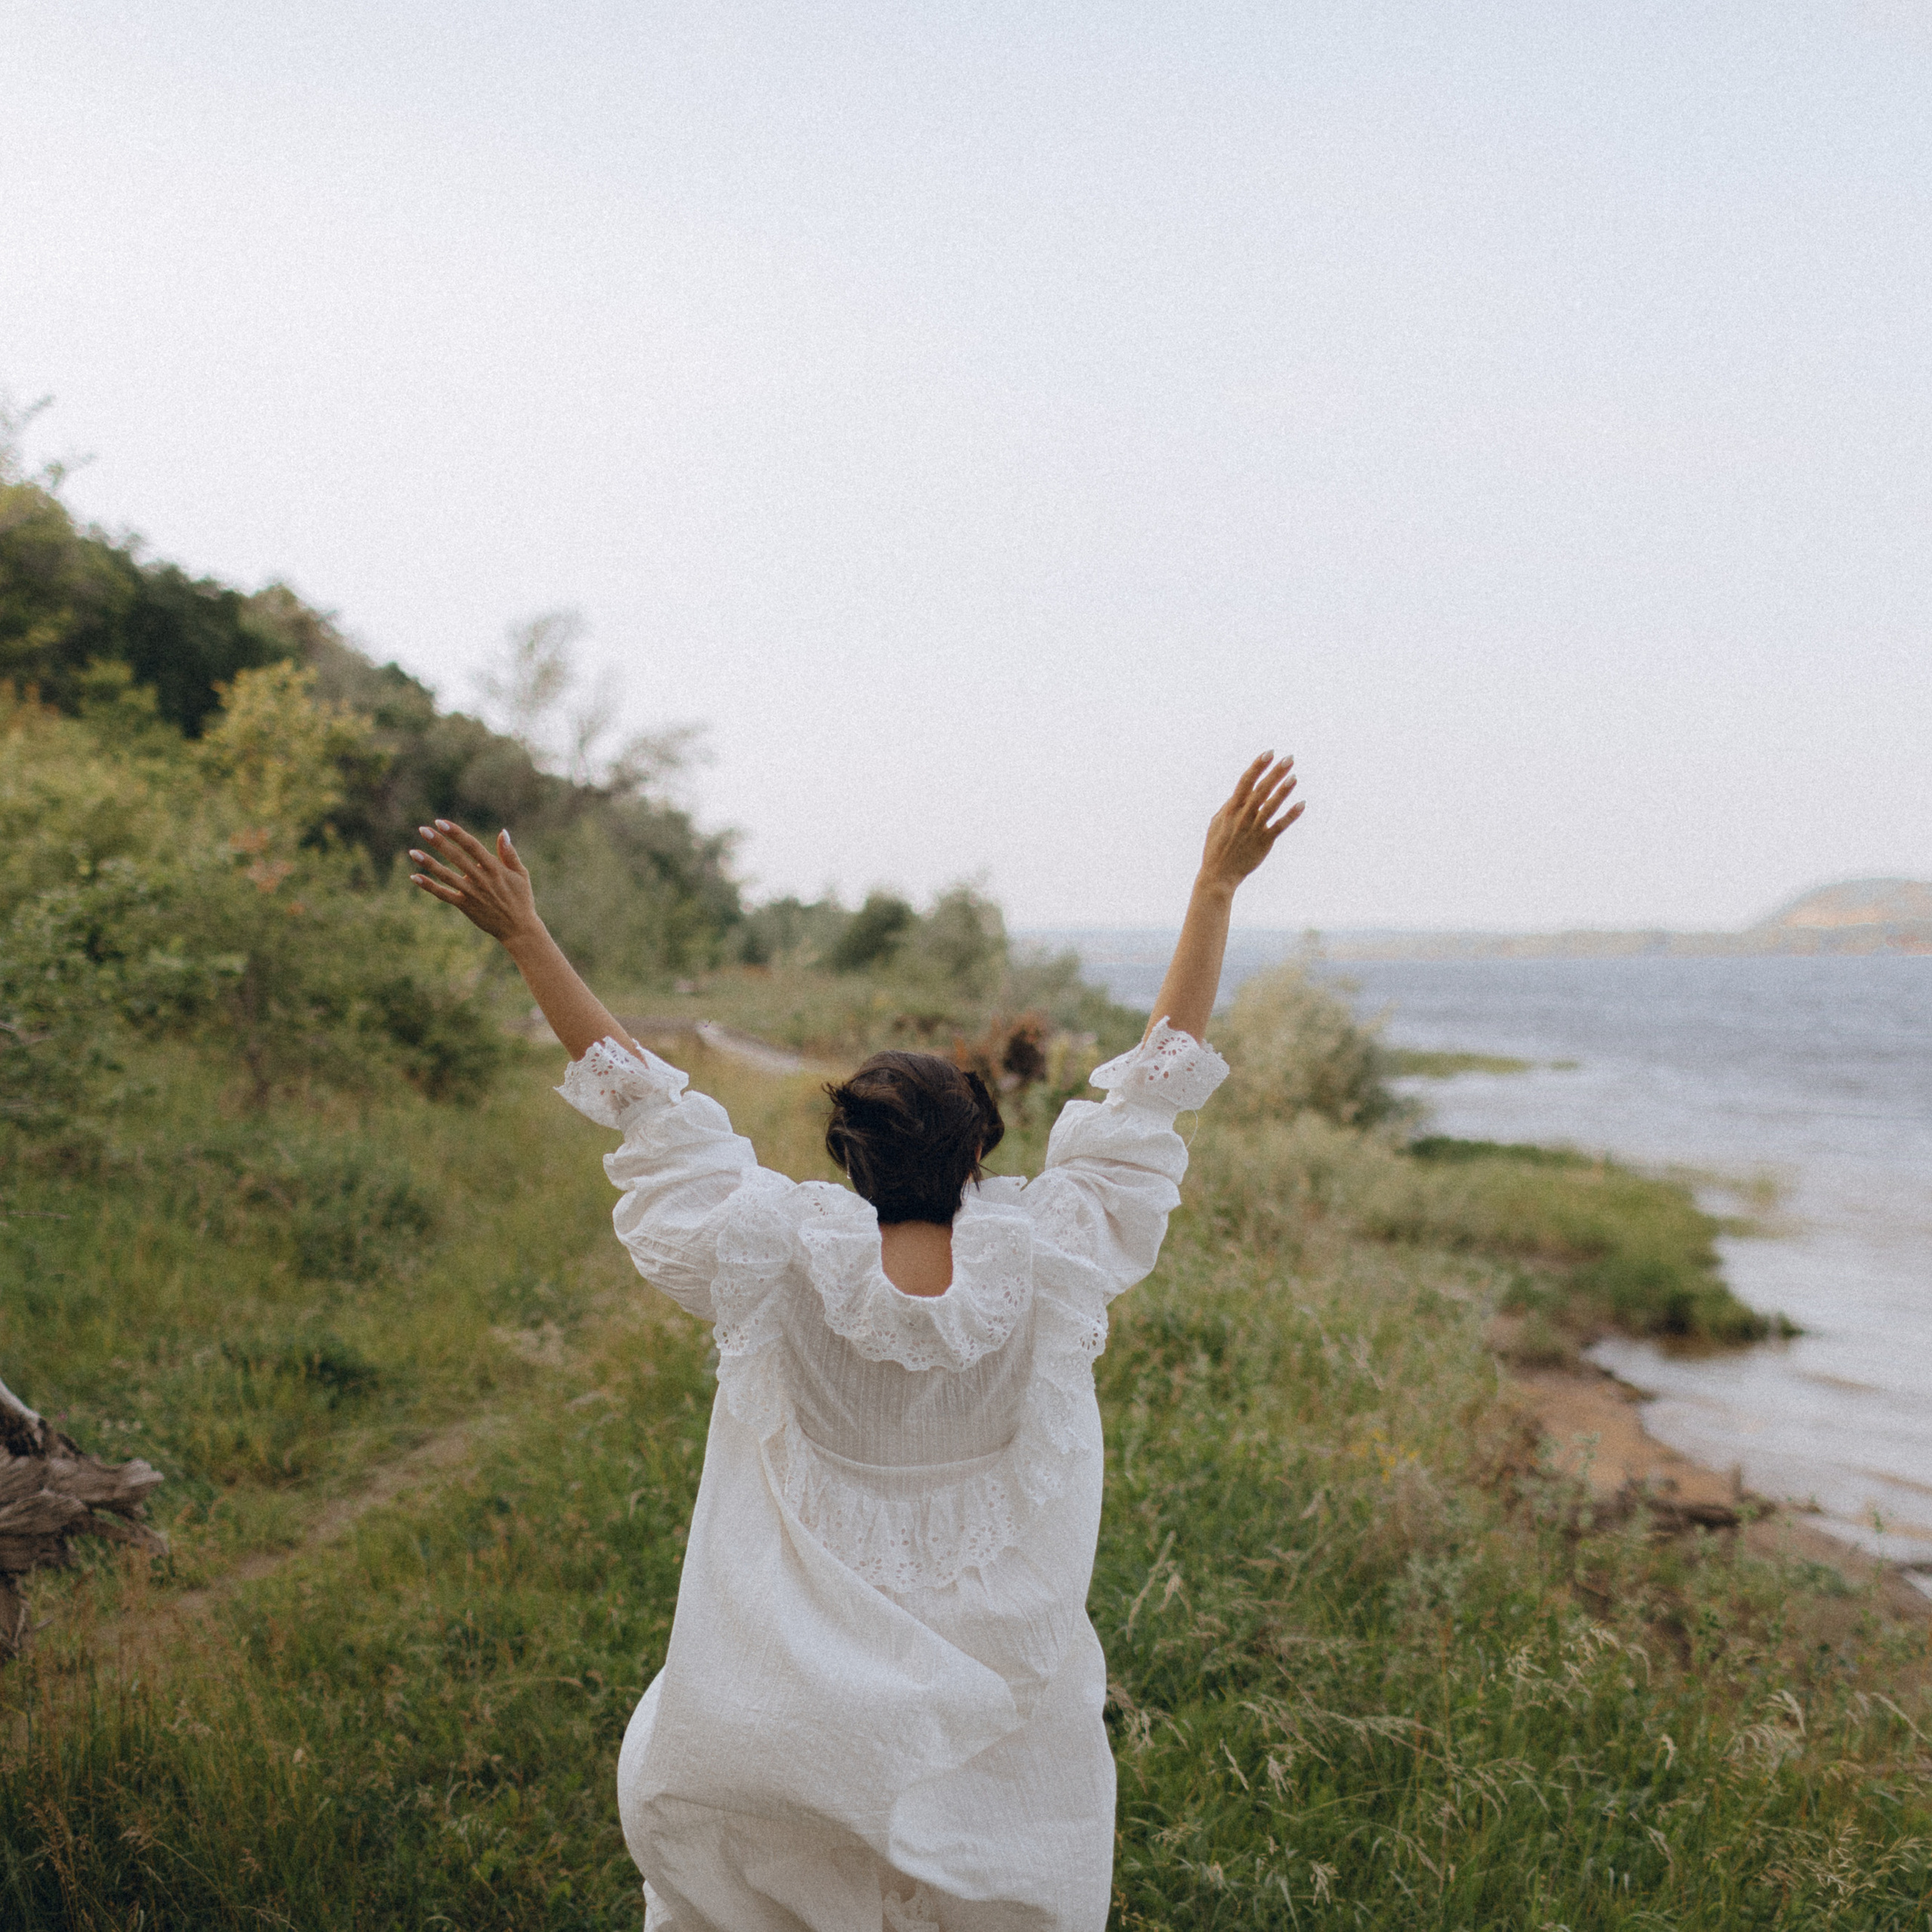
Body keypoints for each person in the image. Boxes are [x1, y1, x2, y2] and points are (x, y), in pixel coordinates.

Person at [408, 754, 1303, 1932]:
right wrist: (1214, 887)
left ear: (848, 1158)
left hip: (789, 1716)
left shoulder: (773, 1253)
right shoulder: (1051, 1252)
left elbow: (644, 1106)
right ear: (981, 1153)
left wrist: (525, 932)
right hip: (999, 1726)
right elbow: (1153, 1089)